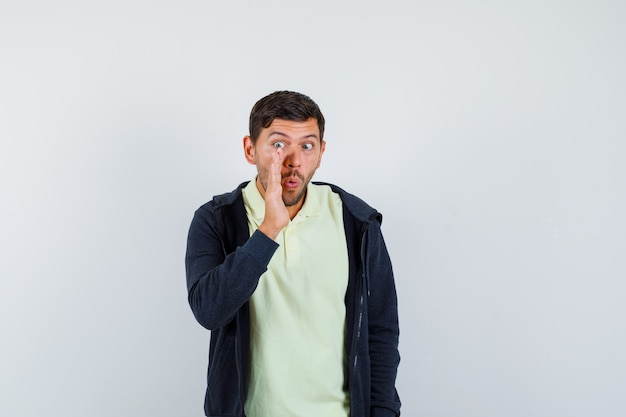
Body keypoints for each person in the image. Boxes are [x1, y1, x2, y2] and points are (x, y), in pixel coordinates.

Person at [185, 90, 401, 417]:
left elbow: (381, 331)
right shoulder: (216, 220)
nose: (294, 161)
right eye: (278, 144)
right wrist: (268, 230)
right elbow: (209, 311)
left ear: (321, 152)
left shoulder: (356, 222)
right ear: (250, 149)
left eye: (307, 145)